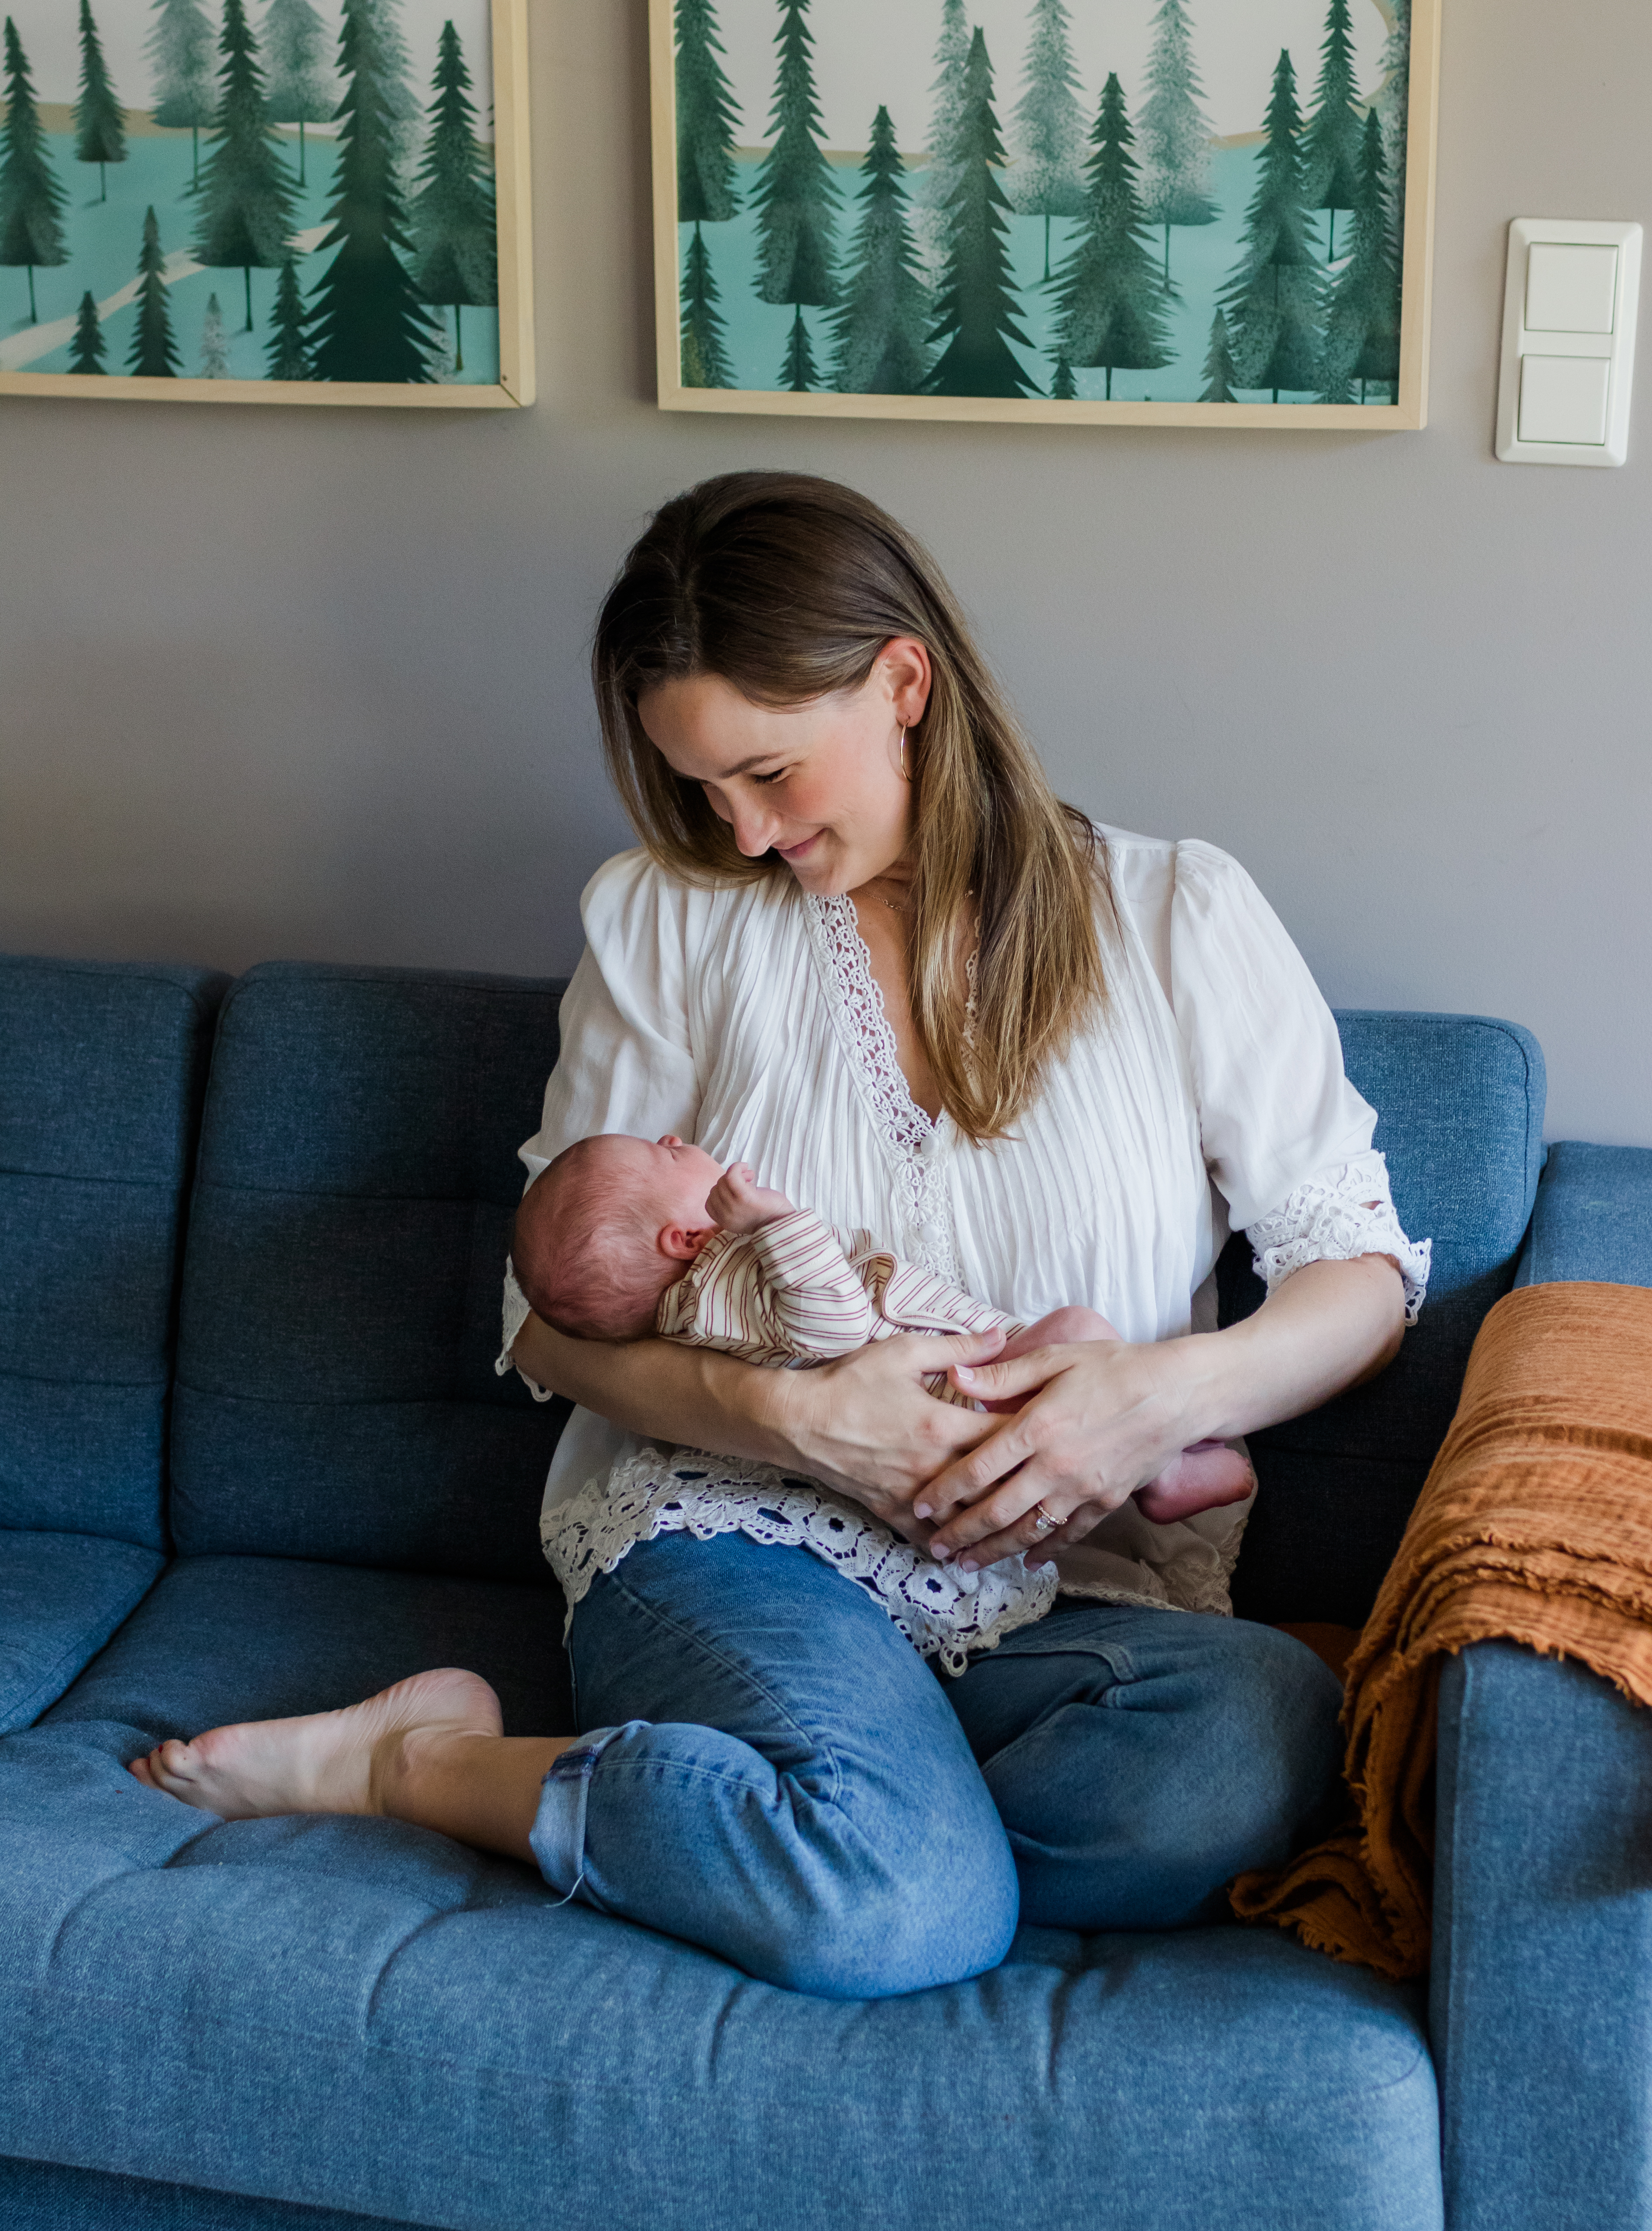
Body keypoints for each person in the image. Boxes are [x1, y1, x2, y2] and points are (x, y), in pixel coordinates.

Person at [130, 471, 1430, 2001]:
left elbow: (1356, 1274)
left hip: (1059, 1584)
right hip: (736, 1540)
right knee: (898, 1917)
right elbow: (548, 1316)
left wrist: (1153, 1400)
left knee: (1257, 1736)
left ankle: (818, 1807)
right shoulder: (661, 921)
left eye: (764, 773)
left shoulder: (1171, 915)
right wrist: (795, 1415)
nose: (738, 833)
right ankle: (425, 1764)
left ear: (902, 681)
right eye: (700, 791)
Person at [509, 1130, 1256, 1531]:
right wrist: (778, 1222)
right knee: (1080, 1332)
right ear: (684, 1240)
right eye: (661, 1152)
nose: (673, 1136)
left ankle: (1165, 1452)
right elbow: (835, 1324)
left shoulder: (708, 1295)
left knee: (1080, 1351)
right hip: (949, 1405)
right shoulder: (723, 1285)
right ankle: (1165, 1473)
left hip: (951, 1401)